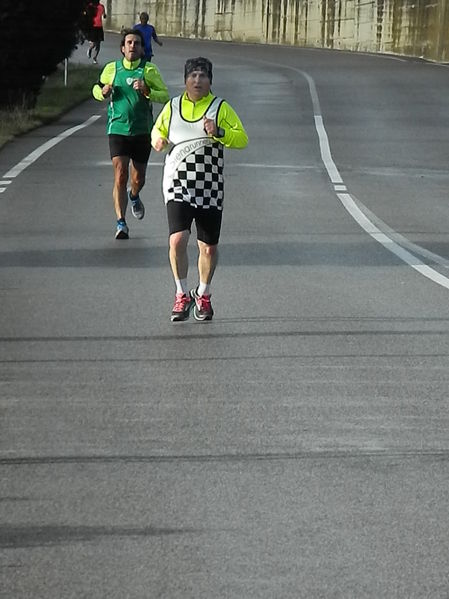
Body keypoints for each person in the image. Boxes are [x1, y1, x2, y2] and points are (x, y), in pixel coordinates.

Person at [151, 57, 248, 322]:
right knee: (177, 239)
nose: (197, 80)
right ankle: (181, 293)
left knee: (208, 248)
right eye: (192, 76)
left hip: (210, 186)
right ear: (185, 80)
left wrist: (219, 132)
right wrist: (157, 140)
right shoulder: (172, 107)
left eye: (202, 76)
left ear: (210, 81)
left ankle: (202, 294)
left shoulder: (220, 107)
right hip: (177, 183)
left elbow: (242, 139)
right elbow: (157, 131)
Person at [92, 29, 169, 239]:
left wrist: (147, 91)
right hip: (117, 129)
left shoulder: (149, 70)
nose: (132, 46)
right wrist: (102, 92)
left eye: (136, 43)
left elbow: (165, 96)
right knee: (120, 174)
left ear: (143, 49)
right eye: (129, 43)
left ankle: (134, 196)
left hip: (142, 130)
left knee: (138, 178)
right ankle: (121, 223)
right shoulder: (112, 69)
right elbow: (96, 89)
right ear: (122, 48)